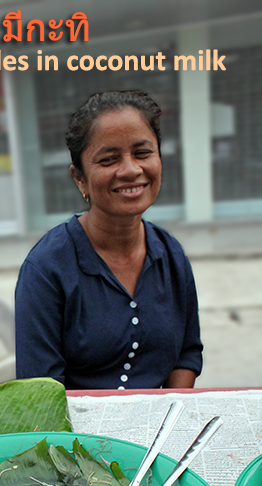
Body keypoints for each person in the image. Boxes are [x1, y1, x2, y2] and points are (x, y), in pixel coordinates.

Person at [15, 90, 203, 390]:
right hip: (74, 435)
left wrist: (169, 417)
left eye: (142, 153)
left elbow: (187, 353)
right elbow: (38, 389)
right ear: (79, 178)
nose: (131, 170)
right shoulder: (46, 268)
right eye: (109, 159)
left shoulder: (171, 254)